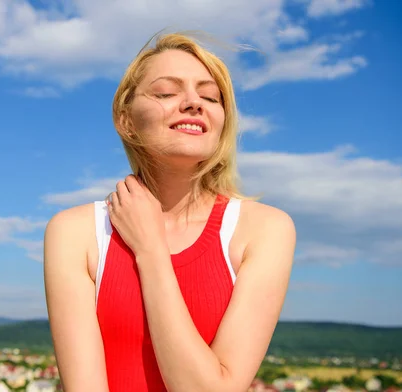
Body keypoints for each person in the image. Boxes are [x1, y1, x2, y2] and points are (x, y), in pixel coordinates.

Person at [43, 32, 296, 392]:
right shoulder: (73, 232)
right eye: (166, 93)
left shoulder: (266, 229)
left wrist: (150, 250)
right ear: (125, 119)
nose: (194, 103)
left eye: (210, 96)